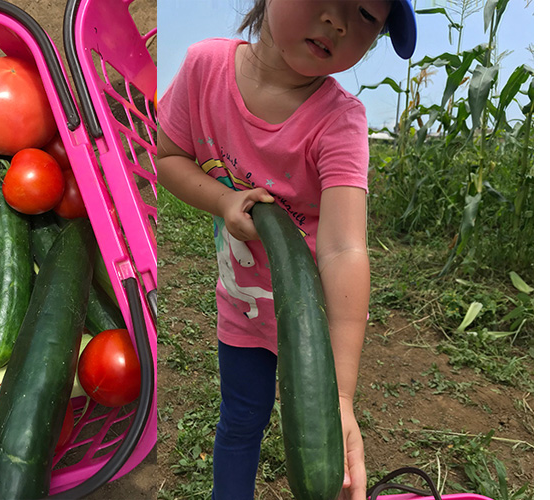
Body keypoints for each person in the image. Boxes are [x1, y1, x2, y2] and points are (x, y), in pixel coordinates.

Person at [155, 1, 417, 499]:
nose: (339, 22)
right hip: (243, 306)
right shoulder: (204, 68)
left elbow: (343, 249)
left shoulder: (339, 122)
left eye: (365, 15)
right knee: (240, 420)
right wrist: (224, 199)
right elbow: (170, 158)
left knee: (309, 445)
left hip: (312, 323)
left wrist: (339, 396)